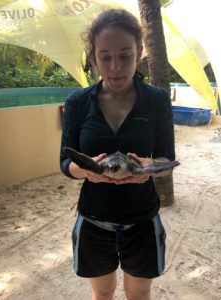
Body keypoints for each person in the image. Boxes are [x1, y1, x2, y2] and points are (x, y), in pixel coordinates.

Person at [60, 8, 175, 300]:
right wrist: (84, 170)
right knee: (103, 294)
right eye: (105, 57)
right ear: (94, 58)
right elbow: (65, 162)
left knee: (138, 295)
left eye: (125, 55)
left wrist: (151, 167)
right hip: (94, 219)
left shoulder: (157, 99)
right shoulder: (77, 102)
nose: (115, 67)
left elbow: (166, 159)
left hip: (142, 219)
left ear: (139, 52)